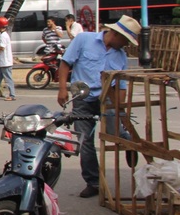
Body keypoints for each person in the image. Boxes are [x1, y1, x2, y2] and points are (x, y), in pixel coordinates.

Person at [57, 15, 140, 198]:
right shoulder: (84, 39)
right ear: (116, 34)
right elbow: (65, 63)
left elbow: (121, 85)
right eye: (125, 40)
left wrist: (121, 109)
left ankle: (128, 142)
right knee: (85, 140)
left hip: (107, 98)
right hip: (83, 97)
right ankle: (93, 182)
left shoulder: (121, 55)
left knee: (114, 132)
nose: (126, 45)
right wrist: (63, 89)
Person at [0, 17, 16, 101]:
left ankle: (12, 95)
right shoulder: (3, 35)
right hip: (3, 61)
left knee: (8, 79)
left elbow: (2, 47)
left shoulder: (3, 36)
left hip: (6, 62)